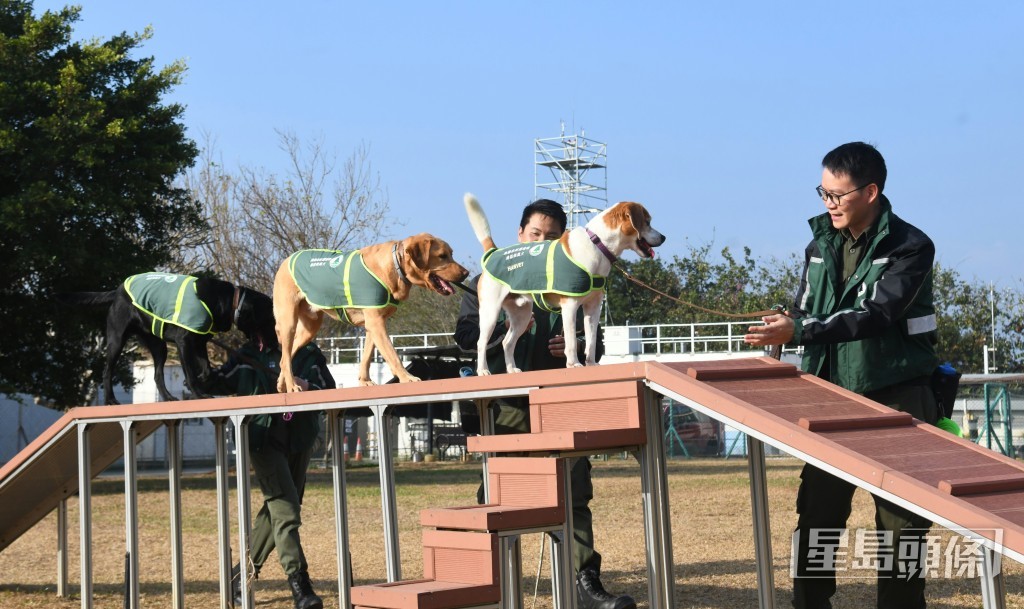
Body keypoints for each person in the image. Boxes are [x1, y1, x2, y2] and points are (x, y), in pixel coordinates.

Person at [745, 142, 939, 609]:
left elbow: (876, 314)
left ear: (871, 191)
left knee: (902, 525)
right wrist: (783, 327)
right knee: (817, 517)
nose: (828, 203)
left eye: (838, 194)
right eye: (823, 192)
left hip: (898, 398)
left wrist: (803, 329)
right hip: (830, 399)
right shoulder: (819, 245)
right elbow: (806, 310)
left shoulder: (911, 246)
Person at [454, 198, 636, 609]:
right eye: (535, 234)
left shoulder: (575, 271)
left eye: (552, 237)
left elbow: (597, 340)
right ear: (520, 235)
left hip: (561, 402)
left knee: (574, 493)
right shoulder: (497, 272)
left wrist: (566, 348)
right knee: (499, 497)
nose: (543, 241)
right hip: (509, 406)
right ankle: (483, 583)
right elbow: (465, 335)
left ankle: (585, 583)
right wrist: (508, 313)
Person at [207, 332, 335, 609]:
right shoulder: (246, 356)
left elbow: (330, 389)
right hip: (261, 440)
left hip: (300, 439)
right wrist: (193, 349)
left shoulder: (308, 353)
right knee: (286, 512)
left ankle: (238, 578)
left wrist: (307, 386)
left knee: (277, 511)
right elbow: (213, 381)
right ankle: (300, 585)